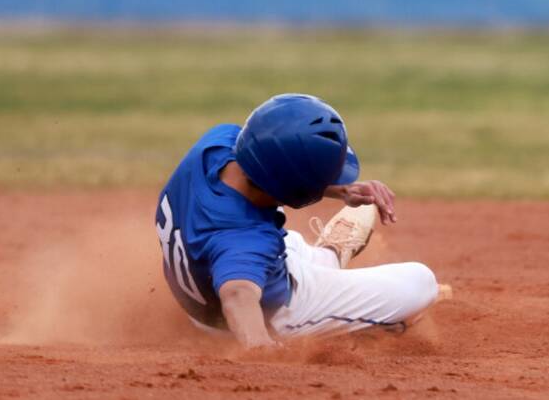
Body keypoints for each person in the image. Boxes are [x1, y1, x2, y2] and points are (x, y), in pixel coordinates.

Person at [155, 92, 441, 348]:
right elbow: (238, 294)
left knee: (286, 240)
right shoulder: (245, 243)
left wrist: (341, 190)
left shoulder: (216, 145)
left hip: (217, 265)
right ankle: (351, 319)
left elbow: (272, 165)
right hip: (268, 314)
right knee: (421, 282)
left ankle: (328, 258)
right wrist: (260, 347)